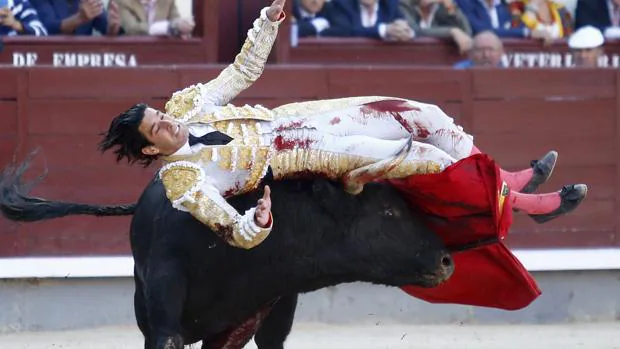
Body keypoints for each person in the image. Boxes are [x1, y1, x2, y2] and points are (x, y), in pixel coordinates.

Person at [99, 0, 587, 250]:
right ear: (148, 150)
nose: (168, 121)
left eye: (161, 114)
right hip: (309, 156)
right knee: (429, 157)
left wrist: (268, 21)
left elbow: (243, 71)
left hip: (302, 119)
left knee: (429, 116)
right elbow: (232, 230)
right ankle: (522, 202)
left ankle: (503, 180)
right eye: (157, 128)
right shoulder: (183, 180)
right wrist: (258, 221)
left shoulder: (189, 104)